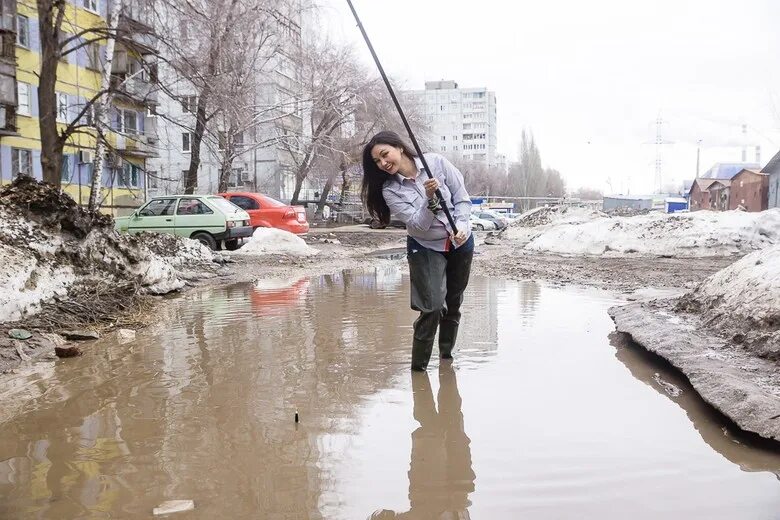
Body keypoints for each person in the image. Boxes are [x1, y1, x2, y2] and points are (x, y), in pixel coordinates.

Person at [361, 131, 473, 371]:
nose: (383, 163)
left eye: (384, 154)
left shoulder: (437, 163)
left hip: (460, 242)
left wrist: (462, 227)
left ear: (399, 147)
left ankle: (446, 361)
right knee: (431, 307)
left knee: (453, 303)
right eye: (378, 162)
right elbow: (418, 225)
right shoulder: (390, 190)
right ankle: (418, 371)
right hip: (425, 246)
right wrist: (430, 198)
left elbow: (462, 199)